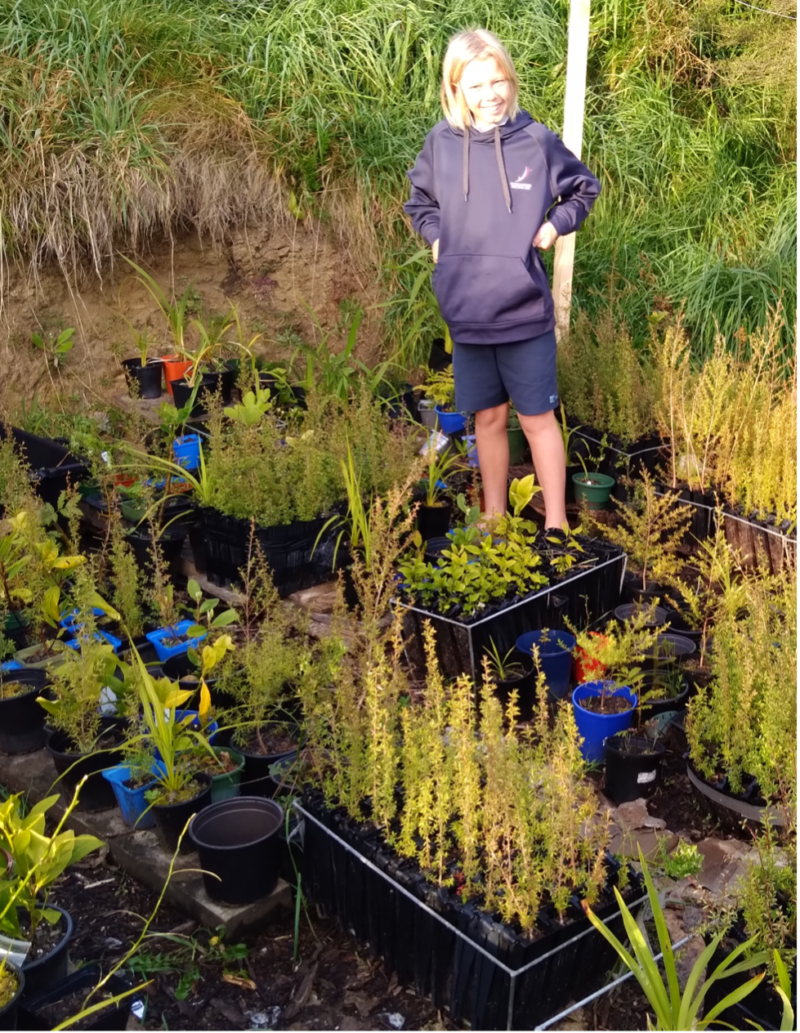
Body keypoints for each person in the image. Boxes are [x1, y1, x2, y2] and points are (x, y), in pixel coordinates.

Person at [405, 28, 601, 530]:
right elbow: (420, 202)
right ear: (454, 90)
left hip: (523, 310)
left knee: (537, 421)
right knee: (488, 420)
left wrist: (555, 225)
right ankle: (493, 522)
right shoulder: (441, 145)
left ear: (510, 81)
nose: (491, 94)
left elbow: (583, 188)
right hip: (468, 312)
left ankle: (556, 526)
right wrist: (437, 240)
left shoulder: (534, 140)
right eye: (476, 85)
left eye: (499, 81)